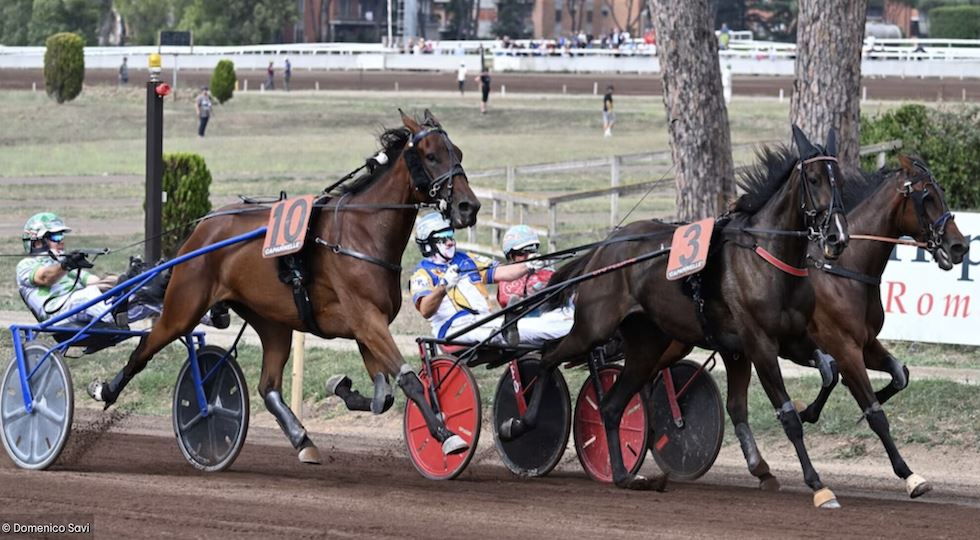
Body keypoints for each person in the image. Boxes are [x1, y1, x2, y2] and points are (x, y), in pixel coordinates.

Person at [409, 213, 572, 347]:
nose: (450, 241)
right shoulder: (422, 273)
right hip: (454, 329)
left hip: (484, 320)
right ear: (429, 244)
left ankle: (568, 323)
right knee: (516, 330)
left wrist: (529, 265)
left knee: (538, 324)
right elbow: (425, 309)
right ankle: (506, 331)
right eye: (443, 238)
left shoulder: (466, 259)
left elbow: (502, 271)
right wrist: (443, 286)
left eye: (451, 235)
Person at [16, 213, 175, 327]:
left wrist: (128, 279)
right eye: (56, 237)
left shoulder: (63, 265)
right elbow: (45, 277)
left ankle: (156, 289)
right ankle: (116, 316)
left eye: (62, 237)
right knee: (89, 294)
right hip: (55, 314)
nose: (62, 241)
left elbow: (97, 282)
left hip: (78, 308)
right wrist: (67, 264)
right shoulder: (25, 265)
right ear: (37, 242)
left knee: (127, 292)